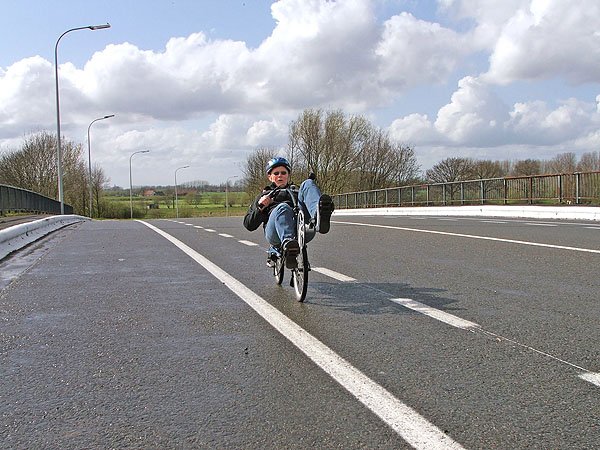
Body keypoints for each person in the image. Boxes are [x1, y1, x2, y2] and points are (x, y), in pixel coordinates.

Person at [243, 157, 334, 269]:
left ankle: (319, 216)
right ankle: (288, 244)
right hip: (275, 234)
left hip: (301, 229)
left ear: (288, 175)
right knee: (283, 207)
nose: (280, 175)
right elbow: (248, 224)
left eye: (283, 173)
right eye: (276, 173)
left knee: (308, 183)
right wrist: (260, 208)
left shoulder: (296, 191)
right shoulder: (264, 195)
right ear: (270, 177)